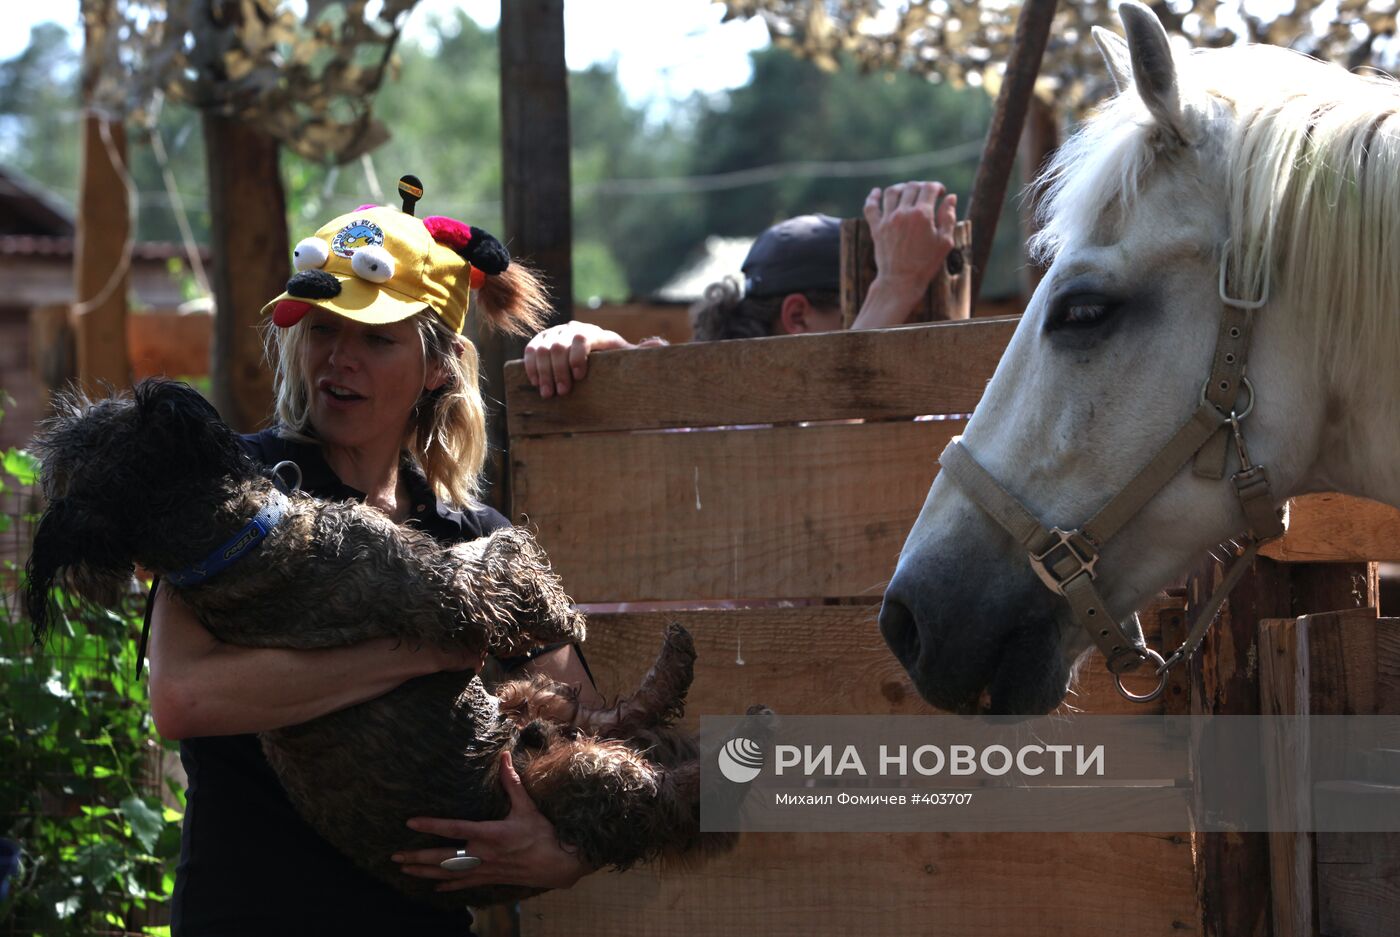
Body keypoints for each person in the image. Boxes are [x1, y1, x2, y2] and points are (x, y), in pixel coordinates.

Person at [147, 201, 597, 936]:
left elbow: (583, 728)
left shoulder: (475, 537)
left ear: (436, 365)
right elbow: (184, 695)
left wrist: (559, 852)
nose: (339, 358)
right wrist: (420, 651)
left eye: (376, 339)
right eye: (324, 330)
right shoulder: (237, 491)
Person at [523, 181, 959, 397]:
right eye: (873, 311)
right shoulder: (710, 418)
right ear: (797, 317)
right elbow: (823, 433)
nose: (897, 331)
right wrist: (596, 351)